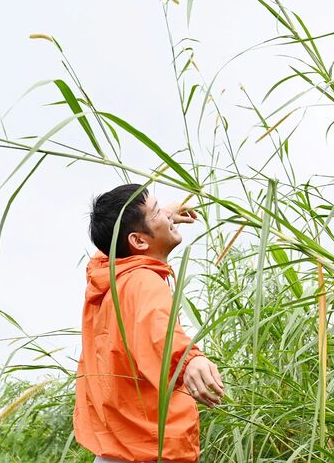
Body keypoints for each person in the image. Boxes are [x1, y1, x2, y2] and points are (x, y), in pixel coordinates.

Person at [74, 184, 225, 463]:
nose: (167, 215)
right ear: (138, 241)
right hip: (147, 450)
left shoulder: (110, 278)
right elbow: (157, 327)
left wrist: (160, 216)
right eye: (157, 211)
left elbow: (110, 249)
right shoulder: (143, 281)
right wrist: (189, 359)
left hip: (116, 449)